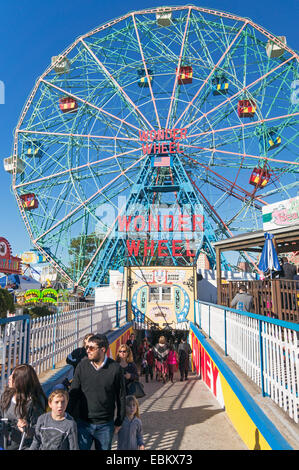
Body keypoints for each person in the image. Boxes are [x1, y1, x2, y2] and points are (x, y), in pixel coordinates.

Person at [67, 334, 126, 450]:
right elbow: (73, 394)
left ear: (102, 349)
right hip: (83, 423)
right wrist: (67, 416)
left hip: (105, 425)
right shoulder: (82, 366)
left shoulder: (115, 369)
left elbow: (121, 396)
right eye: (87, 347)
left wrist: (119, 420)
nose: (87, 350)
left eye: (92, 348)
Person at [0, 364, 47, 450]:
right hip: (4, 443)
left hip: (24, 446)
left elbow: (39, 428)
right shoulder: (5, 395)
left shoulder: (34, 402)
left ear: (22, 381)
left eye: (14, 376)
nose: (10, 377)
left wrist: (26, 428)